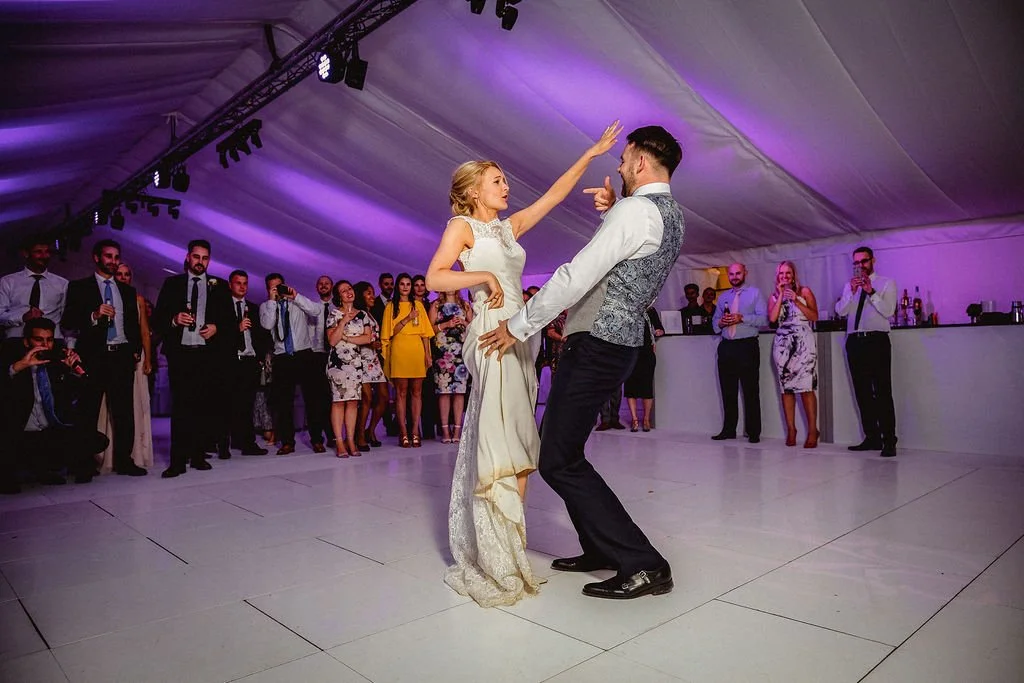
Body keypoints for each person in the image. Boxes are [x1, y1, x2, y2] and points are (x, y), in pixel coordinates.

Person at [479, 124, 683, 600]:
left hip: (597, 341)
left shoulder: (635, 211)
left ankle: (644, 563)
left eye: (624, 158)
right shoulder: (669, 213)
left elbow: (577, 274)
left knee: (557, 459)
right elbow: (633, 260)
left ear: (639, 163)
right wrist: (614, 212)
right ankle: (598, 547)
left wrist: (518, 324)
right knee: (565, 451)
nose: (618, 165)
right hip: (621, 339)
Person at [427, 120, 622, 606]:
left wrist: (592, 152)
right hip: (491, 338)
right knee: (499, 438)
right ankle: (496, 556)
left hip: (520, 337)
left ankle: (511, 544)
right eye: (497, 180)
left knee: (520, 439)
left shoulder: (508, 228)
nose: (506, 186)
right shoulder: (462, 227)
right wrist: (483, 278)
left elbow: (555, 195)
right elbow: (434, 277)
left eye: (505, 180)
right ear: (473, 191)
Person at [62, 239, 146, 477]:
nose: (113, 261)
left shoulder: (127, 291)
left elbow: (133, 325)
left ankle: (124, 460)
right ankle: (83, 464)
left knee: (124, 412)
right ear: (96, 258)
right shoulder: (80, 287)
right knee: (87, 411)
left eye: (116, 256)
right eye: (108, 256)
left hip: (121, 356)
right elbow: (68, 322)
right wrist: (93, 315)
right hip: (94, 356)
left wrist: (134, 350)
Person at [153, 239, 236, 477]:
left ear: (209, 260)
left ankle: (199, 456)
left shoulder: (219, 286)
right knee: (180, 408)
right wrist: (173, 319)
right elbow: (158, 319)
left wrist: (216, 328)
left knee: (204, 406)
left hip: (208, 355)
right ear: (188, 257)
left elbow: (231, 322)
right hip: (181, 354)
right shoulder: (172, 283)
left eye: (205, 258)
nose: (200, 262)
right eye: (196, 257)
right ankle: (177, 461)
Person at [0, 318, 108, 493]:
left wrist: (73, 372)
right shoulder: (11, 361)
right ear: (26, 341)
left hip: (46, 433)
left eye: (49, 340)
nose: (44, 345)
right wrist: (19, 366)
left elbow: (75, 397)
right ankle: (11, 472)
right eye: (38, 340)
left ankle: (44, 468)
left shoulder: (55, 363)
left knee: (96, 440)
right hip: (17, 435)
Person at [835, 246, 898, 457]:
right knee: (862, 392)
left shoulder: (886, 283)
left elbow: (889, 311)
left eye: (864, 261)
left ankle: (889, 440)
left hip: (876, 341)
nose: (860, 266)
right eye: (856, 263)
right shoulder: (849, 286)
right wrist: (851, 294)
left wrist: (871, 291)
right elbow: (841, 311)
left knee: (882, 392)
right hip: (854, 341)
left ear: (873, 261)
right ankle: (872, 437)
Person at [93, 262, 154, 471]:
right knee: (103, 407)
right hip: (105, 354)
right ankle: (101, 455)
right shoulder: (103, 295)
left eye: (127, 274)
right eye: (120, 274)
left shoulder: (135, 298)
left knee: (132, 406)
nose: (123, 277)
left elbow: (144, 331)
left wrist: (147, 359)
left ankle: (130, 455)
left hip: (132, 356)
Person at [259, 273, 322, 455]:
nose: (278, 290)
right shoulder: (265, 306)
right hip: (282, 357)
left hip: (304, 354)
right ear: (267, 289)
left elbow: (316, 311)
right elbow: (267, 324)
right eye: (273, 287)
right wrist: (272, 300)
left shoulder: (298, 301)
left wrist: (296, 297)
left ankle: (317, 439)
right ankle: (287, 442)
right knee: (284, 402)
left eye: (280, 286)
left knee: (312, 399)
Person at [711, 262, 767, 444]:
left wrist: (742, 317)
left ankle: (753, 432)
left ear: (745, 273)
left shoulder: (755, 293)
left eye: (738, 273)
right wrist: (721, 323)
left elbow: (763, 319)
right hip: (727, 346)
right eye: (732, 274)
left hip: (747, 346)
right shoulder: (723, 297)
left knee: (750, 390)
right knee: (728, 391)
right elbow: (714, 323)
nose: (734, 277)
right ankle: (728, 430)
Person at [768, 261, 819, 448]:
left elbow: (814, 316)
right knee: (786, 389)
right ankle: (791, 429)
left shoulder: (805, 292)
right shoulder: (774, 297)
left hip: (803, 342)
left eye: (788, 273)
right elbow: (773, 319)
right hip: (783, 344)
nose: (785, 277)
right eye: (781, 274)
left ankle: (813, 430)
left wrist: (796, 299)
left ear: (794, 275)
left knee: (806, 388)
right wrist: (781, 295)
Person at [380, 273, 433, 448]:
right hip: (400, 348)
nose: (405, 287)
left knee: (417, 392)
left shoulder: (418, 304)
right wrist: (407, 318)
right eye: (402, 284)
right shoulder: (391, 306)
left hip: (416, 348)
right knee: (401, 392)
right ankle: (403, 432)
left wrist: (427, 354)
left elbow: (426, 333)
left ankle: (415, 431)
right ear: (397, 286)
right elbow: (389, 332)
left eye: (408, 284)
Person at [325, 281, 376, 457]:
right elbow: (332, 341)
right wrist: (343, 322)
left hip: (355, 362)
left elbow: (368, 338)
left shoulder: (362, 315)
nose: (348, 292)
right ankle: (339, 442)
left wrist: (346, 337)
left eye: (350, 289)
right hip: (338, 363)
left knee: (353, 402)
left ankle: (351, 440)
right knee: (339, 402)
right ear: (339, 296)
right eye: (344, 291)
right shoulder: (333, 314)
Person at [223, 269, 271, 456]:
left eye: (245, 283)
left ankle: (247, 443)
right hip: (231, 361)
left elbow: (263, 336)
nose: (242, 287)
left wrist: (259, 359)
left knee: (247, 404)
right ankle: (224, 443)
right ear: (230, 285)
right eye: (238, 283)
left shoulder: (253, 307)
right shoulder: (223, 307)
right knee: (228, 404)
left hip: (250, 361)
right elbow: (218, 336)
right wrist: (237, 328)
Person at [0, 236, 68, 345]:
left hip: (51, 342)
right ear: (26, 253)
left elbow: (66, 319)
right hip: (16, 341)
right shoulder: (8, 282)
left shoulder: (62, 284)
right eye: (38, 252)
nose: (44, 256)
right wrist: (22, 317)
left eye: (47, 252)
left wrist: (70, 345)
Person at [430, 290, 472, 444]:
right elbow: (429, 330)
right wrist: (446, 324)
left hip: (460, 353)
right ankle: (445, 430)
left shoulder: (464, 305)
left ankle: (457, 430)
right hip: (443, 355)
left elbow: (473, 328)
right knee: (444, 392)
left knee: (460, 393)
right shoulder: (436, 305)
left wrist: (463, 323)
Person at [353, 281, 387, 449]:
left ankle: (370, 430)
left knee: (384, 396)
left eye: (372, 292)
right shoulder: (358, 314)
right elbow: (356, 336)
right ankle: (359, 436)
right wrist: (370, 343)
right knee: (366, 398)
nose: (372, 296)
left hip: (373, 359)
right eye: (368, 293)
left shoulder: (370, 314)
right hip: (361, 359)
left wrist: (377, 344)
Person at [306, 275, 336, 453]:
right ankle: (316, 438)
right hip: (316, 355)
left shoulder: (337, 308)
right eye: (320, 284)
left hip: (334, 355)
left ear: (331, 286)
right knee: (315, 399)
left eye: (327, 283)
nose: (323, 286)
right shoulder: (312, 308)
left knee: (333, 398)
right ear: (317, 288)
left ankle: (333, 435)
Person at [625, 306, 664, 432]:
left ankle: (646, 419)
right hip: (630, 352)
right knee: (630, 386)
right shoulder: (627, 309)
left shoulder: (651, 310)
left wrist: (658, 331)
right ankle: (634, 419)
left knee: (647, 386)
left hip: (646, 352)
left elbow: (660, 328)